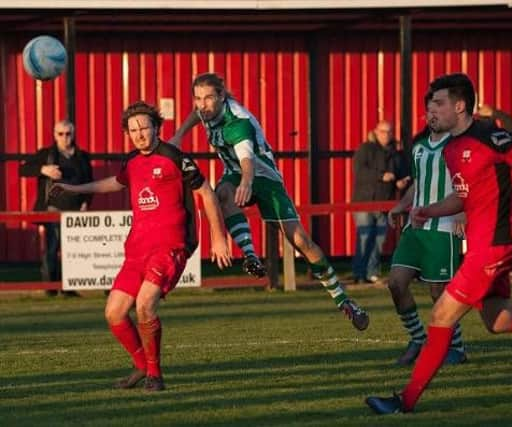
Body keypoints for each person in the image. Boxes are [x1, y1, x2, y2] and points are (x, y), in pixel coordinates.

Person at [366, 73, 512, 414]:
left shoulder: (489, 134)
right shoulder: (453, 147)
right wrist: (428, 209)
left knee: (442, 313)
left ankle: (405, 402)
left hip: (493, 245)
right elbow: (465, 198)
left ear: (460, 106)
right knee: (500, 322)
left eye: (439, 102)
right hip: (480, 245)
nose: (432, 108)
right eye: (430, 102)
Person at [51, 101, 232, 391]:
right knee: (114, 313)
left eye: (144, 127)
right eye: (133, 129)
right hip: (137, 250)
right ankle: (140, 368)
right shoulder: (132, 161)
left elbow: (207, 194)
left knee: (145, 305)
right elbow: (116, 182)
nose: (139, 134)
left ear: (157, 128)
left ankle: (155, 375)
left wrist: (219, 237)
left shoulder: (175, 157)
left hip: (170, 247)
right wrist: (75, 188)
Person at [169, 72, 369, 331]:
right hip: (234, 174)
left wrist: (246, 182)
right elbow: (196, 115)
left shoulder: (238, 122)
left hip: (263, 178)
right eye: (197, 98)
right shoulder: (206, 111)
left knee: (300, 241)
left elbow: (247, 161)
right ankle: (251, 256)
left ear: (221, 96)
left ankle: (343, 299)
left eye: (208, 98)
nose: (202, 104)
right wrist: (178, 135)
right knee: (222, 196)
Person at [386, 97, 466, 366]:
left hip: (444, 227)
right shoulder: (419, 147)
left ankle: (455, 347)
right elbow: (418, 183)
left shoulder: (457, 145)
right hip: (415, 227)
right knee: (396, 283)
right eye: (428, 111)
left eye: (437, 110)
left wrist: (464, 213)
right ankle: (418, 339)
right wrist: (400, 205)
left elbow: (469, 183)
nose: (431, 115)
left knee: (438, 293)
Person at [19, 120, 93, 297]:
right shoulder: (47, 155)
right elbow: (22, 170)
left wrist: (85, 203)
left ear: (73, 134)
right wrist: (43, 169)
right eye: (61, 134)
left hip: (75, 210)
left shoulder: (82, 156)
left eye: (68, 134)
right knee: (53, 247)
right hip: (54, 208)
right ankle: (51, 288)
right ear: (54, 135)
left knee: (73, 250)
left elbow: (90, 183)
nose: (65, 138)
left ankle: (69, 289)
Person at [352, 120, 410, 284]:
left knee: (379, 240)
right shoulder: (365, 149)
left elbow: (402, 174)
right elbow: (359, 172)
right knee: (364, 237)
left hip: (385, 204)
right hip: (364, 202)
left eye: (389, 132)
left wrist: (401, 182)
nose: (386, 135)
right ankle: (359, 273)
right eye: (383, 131)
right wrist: (381, 176)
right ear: (376, 132)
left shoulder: (395, 153)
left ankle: (372, 273)